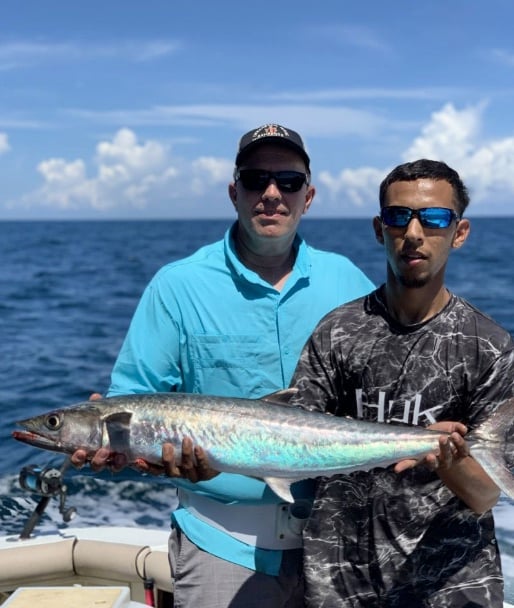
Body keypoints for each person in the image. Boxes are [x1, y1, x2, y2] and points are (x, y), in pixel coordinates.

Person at [72, 123, 374, 607]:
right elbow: (135, 401)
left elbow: (382, 388)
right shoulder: (177, 286)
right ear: (234, 192)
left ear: (309, 196)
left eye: (289, 182)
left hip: (342, 543)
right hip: (221, 544)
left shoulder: (349, 281)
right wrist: (128, 451)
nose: (272, 194)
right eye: (256, 180)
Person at [288, 158, 514, 607]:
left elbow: (485, 494)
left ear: (459, 232)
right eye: (398, 216)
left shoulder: (489, 347)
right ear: (379, 229)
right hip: (341, 581)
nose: (413, 232)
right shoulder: (338, 331)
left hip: (451, 583)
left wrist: (447, 459)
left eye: (433, 219)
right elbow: (291, 442)